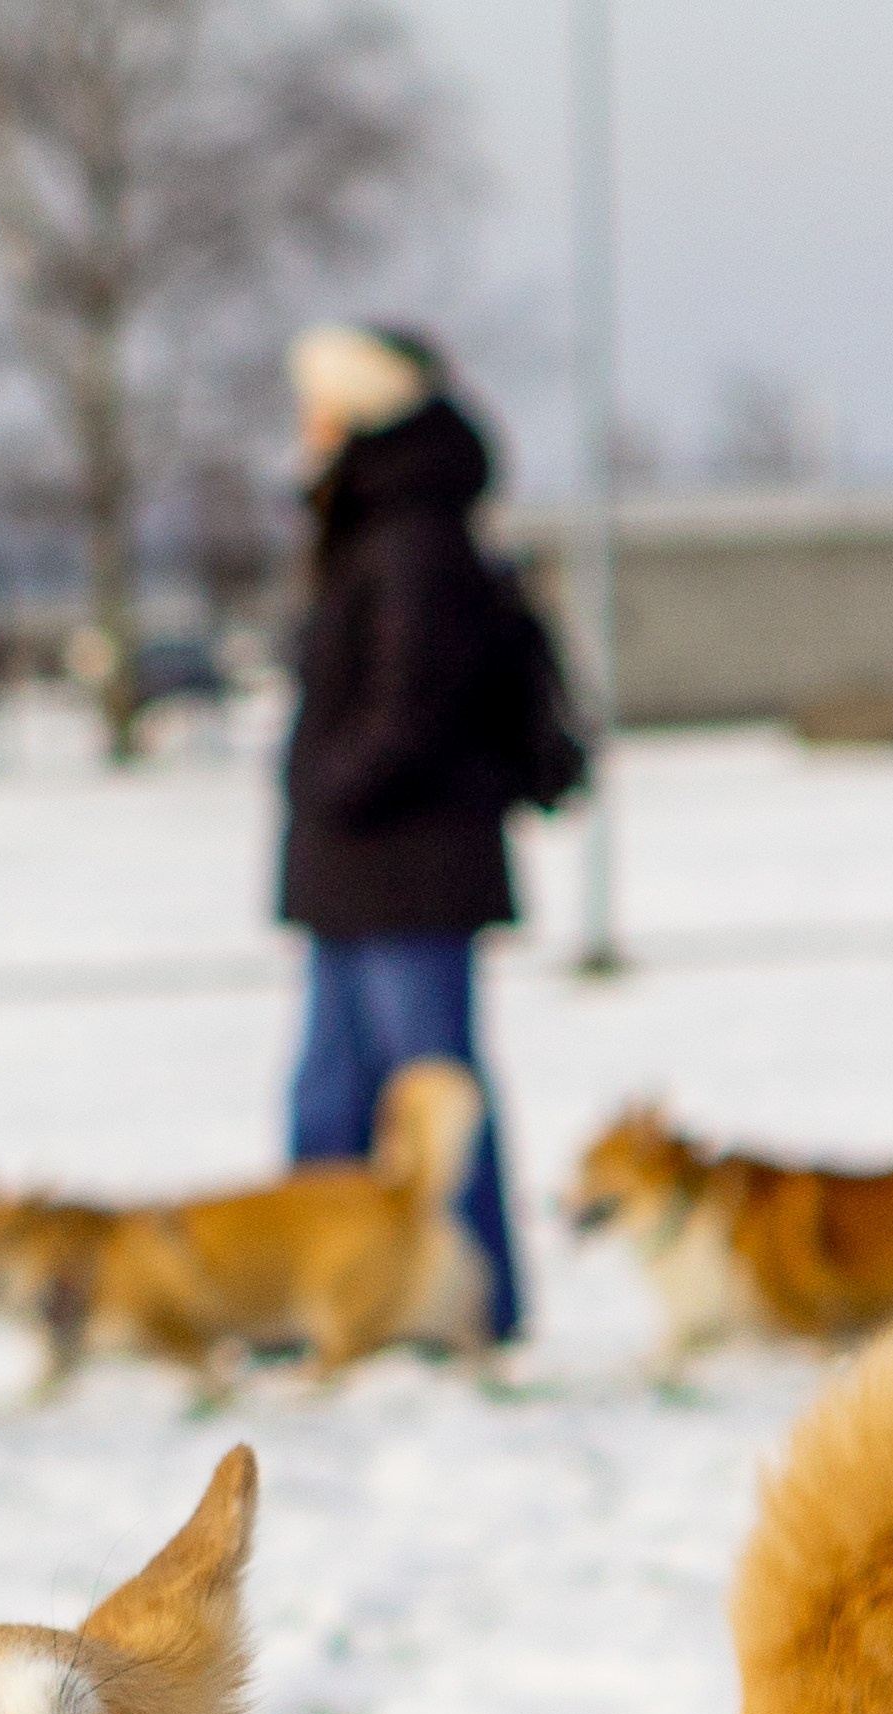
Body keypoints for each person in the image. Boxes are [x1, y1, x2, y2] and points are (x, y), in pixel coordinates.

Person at [279, 325, 530, 1347]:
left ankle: (470, 1304)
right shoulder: (376, 523)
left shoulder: (411, 535)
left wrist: (334, 786)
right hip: (358, 868)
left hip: (406, 863)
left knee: (434, 1098)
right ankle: (319, 1290)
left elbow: (411, 702)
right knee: (329, 1098)